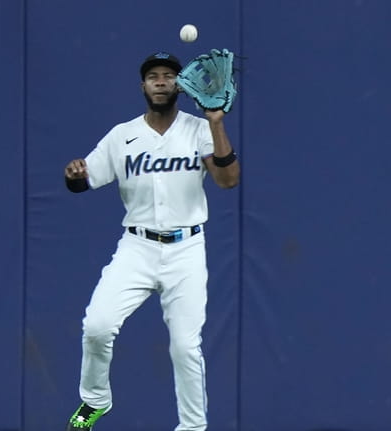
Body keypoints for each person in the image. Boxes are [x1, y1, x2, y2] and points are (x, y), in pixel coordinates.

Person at [63, 51, 240, 431]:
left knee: (184, 347)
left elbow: (228, 180)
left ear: (181, 85)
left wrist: (216, 122)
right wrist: (74, 173)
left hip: (187, 249)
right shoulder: (121, 135)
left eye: (169, 75)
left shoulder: (199, 129)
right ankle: (95, 401)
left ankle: (193, 428)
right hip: (137, 247)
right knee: (97, 325)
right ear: (142, 85)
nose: (161, 81)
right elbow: (82, 180)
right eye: (153, 76)